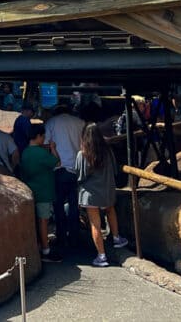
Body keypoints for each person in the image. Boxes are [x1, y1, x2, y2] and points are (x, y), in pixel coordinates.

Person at [76, 122, 128, 267]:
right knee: (110, 211)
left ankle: (101, 256)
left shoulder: (83, 154)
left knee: (95, 224)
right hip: (107, 190)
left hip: (90, 194)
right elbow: (115, 171)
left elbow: (80, 176)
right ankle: (117, 238)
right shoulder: (108, 151)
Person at [18, 122, 60, 261]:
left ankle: (36, 247)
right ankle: (46, 250)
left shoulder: (25, 152)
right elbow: (57, 162)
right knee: (43, 221)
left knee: (35, 221)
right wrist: (53, 148)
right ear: (38, 136)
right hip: (44, 191)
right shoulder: (41, 153)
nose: (44, 139)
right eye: (43, 136)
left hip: (30, 190)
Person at [44, 104, 85, 245]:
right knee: (75, 205)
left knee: (58, 205)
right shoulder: (80, 123)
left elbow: (45, 144)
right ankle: (75, 235)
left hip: (59, 169)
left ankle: (61, 235)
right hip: (78, 169)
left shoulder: (51, 122)